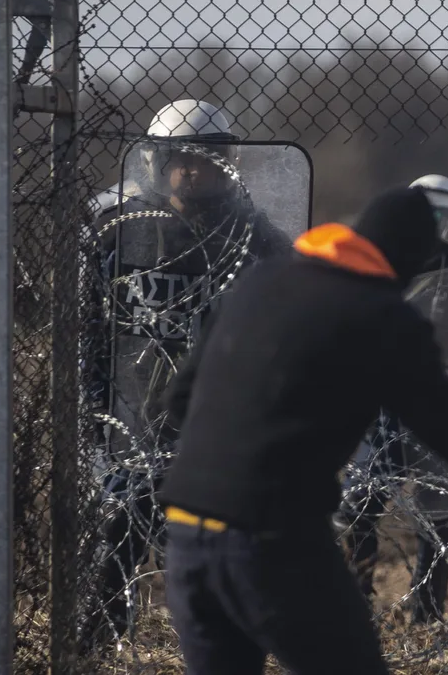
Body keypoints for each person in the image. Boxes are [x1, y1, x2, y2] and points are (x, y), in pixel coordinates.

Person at [156, 186, 448, 675]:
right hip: (272, 540)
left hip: (185, 535)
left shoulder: (263, 280)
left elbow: (180, 400)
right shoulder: (383, 317)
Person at [83, 98, 294, 642]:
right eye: (178, 158)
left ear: (228, 163)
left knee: (209, 551)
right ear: (154, 161)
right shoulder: (118, 230)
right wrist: (91, 403)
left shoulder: (256, 239)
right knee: (118, 533)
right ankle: (102, 640)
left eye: (204, 158)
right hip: (131, 412)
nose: (190, 170)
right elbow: (87, 324)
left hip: (217, 422)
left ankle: (217, 643)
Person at [336, 174, 448, 624]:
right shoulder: (382, 272)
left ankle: (427, 611)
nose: (432, 229)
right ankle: (355, 597)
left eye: (441, 217)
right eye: (425, 216)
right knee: (361, 505)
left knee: (440, 515)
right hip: (383, 411)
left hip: (443, 406)